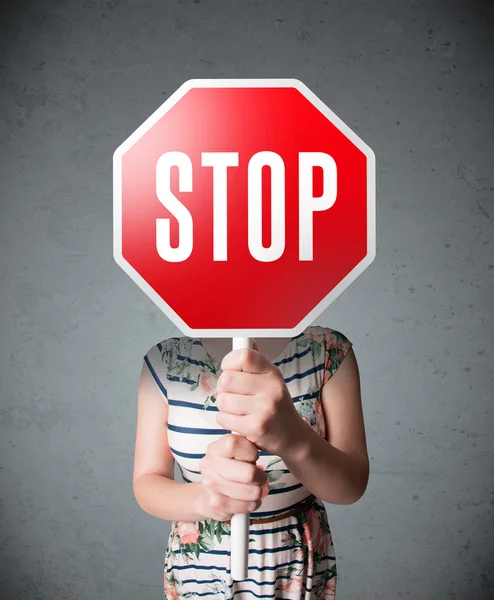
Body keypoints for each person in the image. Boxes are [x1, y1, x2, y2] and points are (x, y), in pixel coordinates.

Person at [133, 324, 369, 599]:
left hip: (293, 562)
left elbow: (351, 487)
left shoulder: (327, 351)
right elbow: (146, 482)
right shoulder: (166, 360)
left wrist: (292, 438)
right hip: (201, 566)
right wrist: (207, 499)